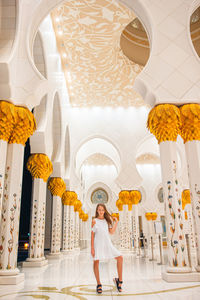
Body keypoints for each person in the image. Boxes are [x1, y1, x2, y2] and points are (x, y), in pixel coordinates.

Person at [91, 203, 123, 294]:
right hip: (98, 244)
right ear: (97, 211)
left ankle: (119, 281)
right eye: (99, 210)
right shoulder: (94, 221)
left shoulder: (107, 221)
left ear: (104, 211)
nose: (101, 211)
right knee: (96, 261)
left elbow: (111, 232)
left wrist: (116, 222)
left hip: (107, 243)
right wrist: (92, 248)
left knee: (120, 257)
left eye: (102, 210)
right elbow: (92, 234)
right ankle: (98, 284)